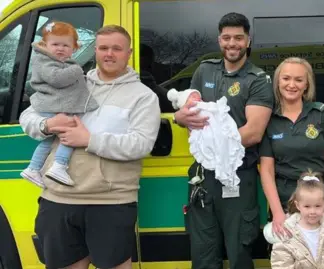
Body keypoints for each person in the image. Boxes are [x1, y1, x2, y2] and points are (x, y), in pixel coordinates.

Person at [19, 25, 161, 269]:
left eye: (117, 48)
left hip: (110, 202)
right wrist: (47, 124)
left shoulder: (143, 96)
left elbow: (141, 144)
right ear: (94, 50)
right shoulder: (72, 81)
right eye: (103, 48)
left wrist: (90, 140)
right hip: (57, 200)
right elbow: (28, 116)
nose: (109, 54)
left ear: (129, 52)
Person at [172, 12, 274, 269]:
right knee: (203, 253)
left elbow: (252, 133)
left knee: (239, 252)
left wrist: (213, 143)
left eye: (238, 38)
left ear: (248, 41)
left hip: (238, 177)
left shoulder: (258, 80)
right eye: (226, 37)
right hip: (203, 177)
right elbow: (189, 113)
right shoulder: (204, 70)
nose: (232, 43)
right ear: (219, 40)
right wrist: (178, 117)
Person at [258, 57, 324, 247]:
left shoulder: (321, 114)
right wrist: (277, 213)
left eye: (299, 80)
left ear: (307, 84)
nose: (291, 84)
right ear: (277, 82)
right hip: (286, 206)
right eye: (286, 78)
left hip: (321, 205)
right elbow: (267, 171)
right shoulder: (269, 118)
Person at [20, 21, 98, 188]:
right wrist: (77, 70)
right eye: (55, 44)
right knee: (70, 133)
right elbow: (57, 78)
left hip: (54, 104)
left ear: (74, 48)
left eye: (65, 45)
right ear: (45, 45)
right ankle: (59, 165)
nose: (60, 48)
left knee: (48, 141)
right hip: (53, 106)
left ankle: (33, 168)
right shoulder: (45, 61)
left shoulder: (58, 61)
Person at [264, 171, 324, 269]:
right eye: (307, 206)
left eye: (317, 206)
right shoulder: (287, 232)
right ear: (298, 205)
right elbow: (281, 265)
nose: (312, 211)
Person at [167, 88, 244, 188]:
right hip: (206, 139)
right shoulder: (193, 107)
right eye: (192, 97)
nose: (196, 98)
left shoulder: (205, 105)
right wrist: (177, 117)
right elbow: (186, 118)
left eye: (197, 96)